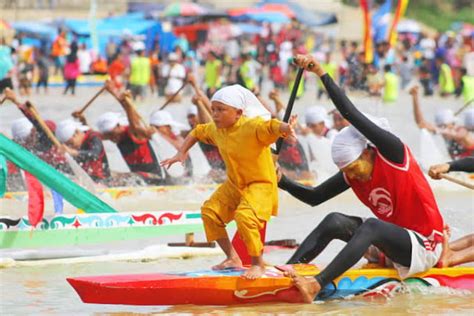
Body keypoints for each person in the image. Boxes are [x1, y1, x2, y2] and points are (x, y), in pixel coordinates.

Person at [279, 55, 444, 303]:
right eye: (347, 170)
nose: (352, 175)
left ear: (367, 151)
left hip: (425, 245)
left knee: (372, 226)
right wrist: (281, 179)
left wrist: (321, 72)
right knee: (334, 220)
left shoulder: (392, 152)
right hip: (393, 245)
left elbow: (351, 114)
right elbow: (314, 198)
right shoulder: (353, 174)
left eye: (354, 167)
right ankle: (286, 272)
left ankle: (316, 285)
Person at [161, 84, 297, 279]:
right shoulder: (217, 130)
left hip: (260, 184)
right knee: (210, 213)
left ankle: (258, 264)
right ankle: (232, 258)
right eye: (213, 109)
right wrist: (181, 152)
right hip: (235, 184)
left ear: (238, 113)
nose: (214, 114)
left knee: (244, 217)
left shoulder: (252, 126)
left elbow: (272, 126)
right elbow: (197, 132)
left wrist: (286, 128)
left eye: (220, 110)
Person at [97, 84, 163, 184]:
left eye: (112, 134)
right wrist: (82, 120)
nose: (111, 138)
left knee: (124, 177)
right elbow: (94, 136)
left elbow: (134, 122)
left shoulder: (134, 132)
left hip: (154, 178)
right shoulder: (115, 136)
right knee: (107, 173)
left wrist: (128, 103)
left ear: (119, 126)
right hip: (137, 178)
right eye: (108, 135)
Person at [409, 85, 473, 159]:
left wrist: (440, 130)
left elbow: (459, 135)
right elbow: (421, 124)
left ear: (452, 124)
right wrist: (415, 97)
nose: (442, 128)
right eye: (440, 126)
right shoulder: (445, 131)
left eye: (444, 126)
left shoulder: (462, 130)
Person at [55, 119, 111, 184]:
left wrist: (72, 152)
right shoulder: (77, 146)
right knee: (59, 167)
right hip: (88, 180)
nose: (71, 147)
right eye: (68, 145)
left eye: (71, 143)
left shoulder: (94, 137)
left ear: (77, 132)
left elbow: (95, 154)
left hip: (103, 182)